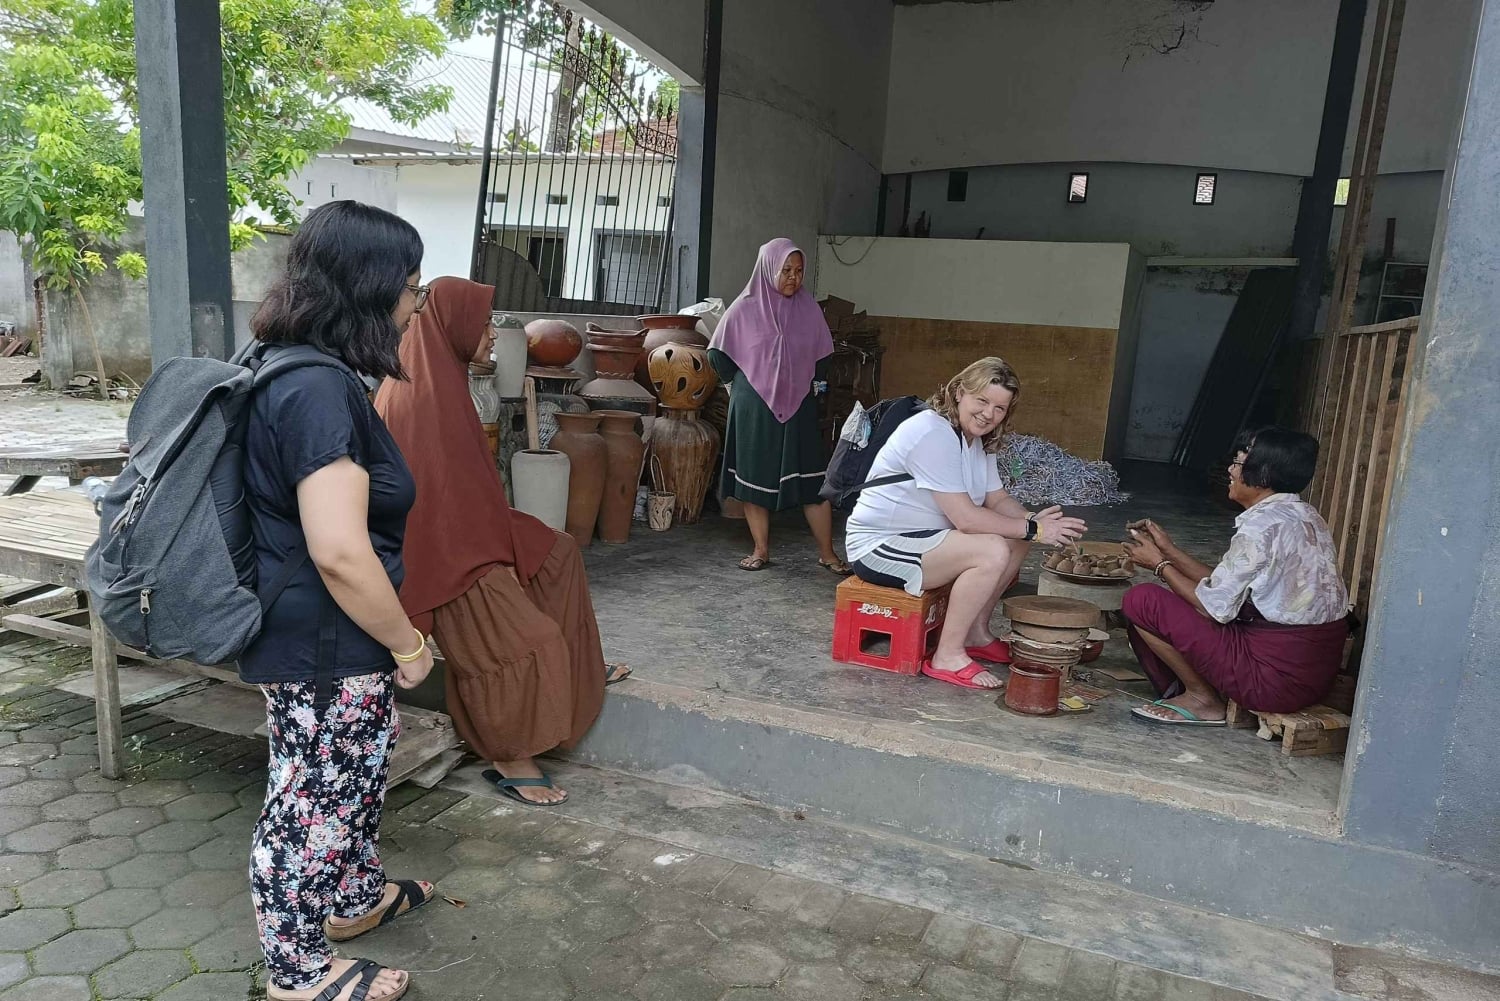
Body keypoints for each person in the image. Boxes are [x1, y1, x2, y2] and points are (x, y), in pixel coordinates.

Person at [242, 201, 434, 1001]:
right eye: (410, 284)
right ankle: (297, 972)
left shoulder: (288, 363)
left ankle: (354, 899)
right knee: (310, 800)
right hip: (326, 638)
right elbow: (341, 550)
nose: (417, 302)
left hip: (322, 635)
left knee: (352, 772)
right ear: (372, 288)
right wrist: (409, 644)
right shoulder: (320, 390)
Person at [375, 276, 606, 808]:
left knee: (557, 552)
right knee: (530, 644)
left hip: (469, 527)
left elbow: (465, 488)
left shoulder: (441, 375)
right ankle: (508, 755)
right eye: (483, 326)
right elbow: (424, 508)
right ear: (454, 328)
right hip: (440, 552)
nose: (493, 337)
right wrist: (490, 557)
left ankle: (575, 663)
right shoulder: (420, 393)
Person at [845, 358, 1087, 690]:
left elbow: (997, 499)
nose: (989, 414)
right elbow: (967, 519)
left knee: (1014, 537)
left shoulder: (977, 439)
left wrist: (1032, 520)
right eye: (982, 401)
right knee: (990, 549)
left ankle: (975, 632)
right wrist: (1035, 529)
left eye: (1000, 408)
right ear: (959, 392)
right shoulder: (931, 432)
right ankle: (947, 655)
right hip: (880, 546)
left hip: (928, 538)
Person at [1121, 426, 1351, 726]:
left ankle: (1202, 698)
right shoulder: (1304, 515)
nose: (1230, 470)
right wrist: (1169, 551)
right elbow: (1225, 586)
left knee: (1143, 601)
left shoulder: (1260, 528)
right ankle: (1201, 689)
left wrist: (1158, 567)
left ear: (1264, 475)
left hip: (1273, 682)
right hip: (1311, 678)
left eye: (1239, 463)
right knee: (1179, 600)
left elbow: (1212, 607)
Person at [709, 237, 848, 574]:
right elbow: (717, 355)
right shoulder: (744, 308)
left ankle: (827, 553)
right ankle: (760, 550)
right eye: (786, 270)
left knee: (813, 481)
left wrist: (807, 383)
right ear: (768, 268)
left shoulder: (808, 308)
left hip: (799, 402)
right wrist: (742, 385)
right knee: (755, 477)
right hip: (754, 404)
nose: (793, 278)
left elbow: (823, 354)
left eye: (799, 271)